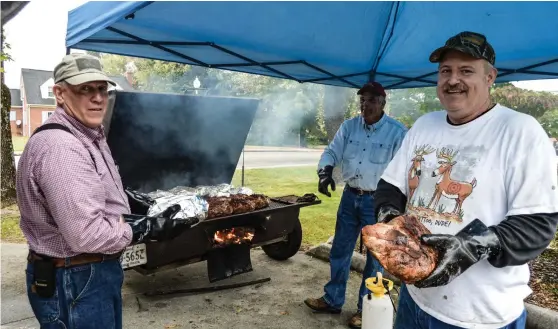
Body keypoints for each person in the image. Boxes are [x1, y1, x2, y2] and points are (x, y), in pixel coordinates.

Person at [374, 31, 558, 329]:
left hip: (478, 316)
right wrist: (391, 219)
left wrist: (472, 245)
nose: (452, 79)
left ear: (490, 77)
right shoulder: (425, 125)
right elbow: (390, 186)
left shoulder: (520, 131)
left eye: (466, 70)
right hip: (414, 300)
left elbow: (536, 225)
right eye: (445, 71)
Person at [16, 53, 194, 329]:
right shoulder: (62, 148)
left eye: (102, 89)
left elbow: (90, 192)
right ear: (60, 93)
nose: (97, 98)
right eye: (84, 89)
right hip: (76, 278)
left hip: (87, 275)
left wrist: (128, 204)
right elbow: (86, 235)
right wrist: (144, 229)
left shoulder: (88, 135)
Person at [304, 82, 408, 328]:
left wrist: (395, 206)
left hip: (378, 201)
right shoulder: (349, 126)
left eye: (371, 100)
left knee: (375, 257)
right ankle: (333, 299)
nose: (365, 105)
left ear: (383, 103)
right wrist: (324, 172)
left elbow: (404, 170)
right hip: (350, 197)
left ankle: (366, 308)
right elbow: (331, 152)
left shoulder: (397, 132)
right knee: (340, 249)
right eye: (362, 100)